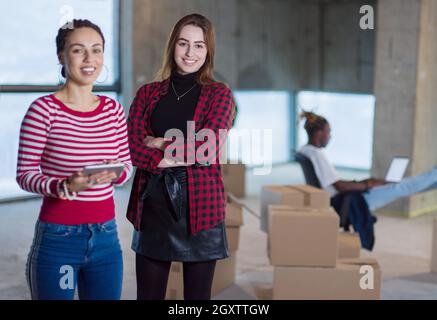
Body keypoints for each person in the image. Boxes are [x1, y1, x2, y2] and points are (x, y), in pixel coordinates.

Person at [16, 19, 132, 300]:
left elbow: (127, 167)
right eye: (78, 50)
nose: (90, 58)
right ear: (62, 55)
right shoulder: (43, 111)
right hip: (58, 238)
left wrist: (113, 174)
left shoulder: (113, 110)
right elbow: (25, 174)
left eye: (97, 50)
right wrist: (63, 185)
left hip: (107, 236)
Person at [126, 13, 236, 300]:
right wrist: (170, 151)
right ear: (172, 46)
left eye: (199, 46)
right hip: (153, 205)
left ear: (208, 51)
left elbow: (206, 149)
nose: (190, 53)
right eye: (183, 43)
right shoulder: (147, 93)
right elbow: (131, 146)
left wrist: (159, 142)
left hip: (202, 209)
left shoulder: (219, 95)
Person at [299, 111, 437, 212]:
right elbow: (340, 186)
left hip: (343, 198)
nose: (330, 136)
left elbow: (334, 182)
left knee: (401, 185)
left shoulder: (305, 151)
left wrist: (365, 182)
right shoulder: (317, 155)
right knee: (401, 186)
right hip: (348, 201)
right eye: (328, 132)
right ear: (318, 133)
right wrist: (367, 184)